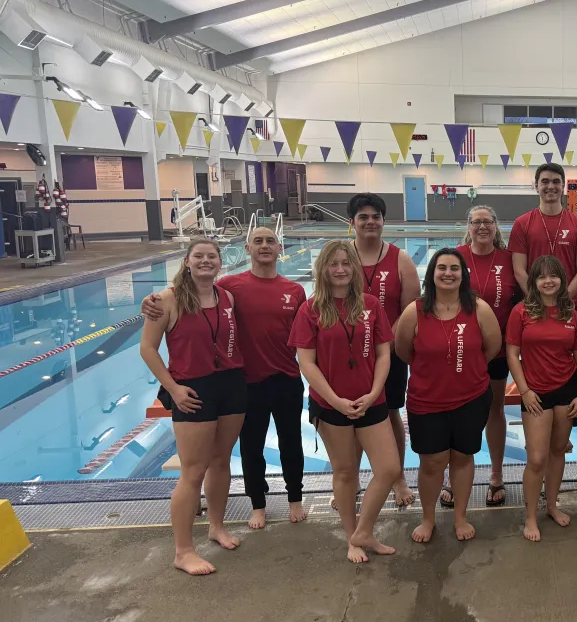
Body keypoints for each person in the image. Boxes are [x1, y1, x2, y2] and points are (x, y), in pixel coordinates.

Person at [142, 227, 307, 529]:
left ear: (280, 247)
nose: (265, 246)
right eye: (258, 241)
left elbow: (306, 334)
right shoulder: (231, 287)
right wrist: (152, 300)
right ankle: (258, 504)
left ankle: (294, 498)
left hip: (284, 379)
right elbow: (187, 293)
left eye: (270, 241)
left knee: (291, 443)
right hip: (247, 381)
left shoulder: (293, 290)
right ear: (247, 249)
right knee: (250, 447)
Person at [289, 240, 403, 564]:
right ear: (323, 269)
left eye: (346, 263)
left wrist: (373, 392)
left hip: (371, 401)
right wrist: (335, 400)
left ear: (355, 268)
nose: (340, 269)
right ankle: (352, 539)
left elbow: (383, 354)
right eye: (333, 264)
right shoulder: (311, 309)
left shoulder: (370, 304)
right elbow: (306, 363)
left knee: (389, 468)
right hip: (330, 405)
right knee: (345, 472)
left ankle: (363, 531)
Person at [139, 238, 245, 576]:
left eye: (211, 256)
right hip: (191, 389)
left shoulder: (224, 296)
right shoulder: (166, 300)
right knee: (193, 471)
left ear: (219, 262)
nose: (205, 261)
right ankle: (183, 551)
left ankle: (216, 526)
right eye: (198, 256)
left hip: (230, 384)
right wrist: (173, 390)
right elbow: (147, 349)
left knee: (220, 461)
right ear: (186, 262)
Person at [395, 249, 501, 543]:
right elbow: (403, 350)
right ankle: (428, 519)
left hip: (471, 397)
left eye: (455, 268)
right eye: (441, 268)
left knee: (463, 458)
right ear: (431, 274)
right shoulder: (415, 311)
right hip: (426, 401)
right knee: (431, 462)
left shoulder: (478, 308)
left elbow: (492, 347)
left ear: (463, 275)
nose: (448, 273)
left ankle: (460, 517)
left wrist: (466, 370)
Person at [506, 256, 577, 542]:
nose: (548, 281)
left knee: (557, 451)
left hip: (566, 391)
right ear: (534, 283)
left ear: (562, 281)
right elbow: (511, 353)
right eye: (542, 277)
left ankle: (552, 505)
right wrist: (525, 390)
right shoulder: (521, 312)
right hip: (535, 393)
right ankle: (530, 516)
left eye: (554, 276)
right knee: (537, 458)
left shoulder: (572, 315)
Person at [348, 193, 420, 508]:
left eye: (375, 216)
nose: (370, 222)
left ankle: (398, 477)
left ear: (383, 221)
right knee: (348, 417)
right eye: (363, 217)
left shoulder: (400, 259)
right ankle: (349, 479)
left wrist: (400, 353)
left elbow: (411, 315)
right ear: (352, 223)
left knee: (390, 414)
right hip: (347, 358)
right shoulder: (339, 257)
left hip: (388, 356)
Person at [455, 205, 518, 507]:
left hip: (498, 351)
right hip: (458, 350)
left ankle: (496, 475)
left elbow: (521, 303)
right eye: (476, 222)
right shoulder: (453, 258)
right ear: (467, 226)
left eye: (487, 222)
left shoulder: (508, 261)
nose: (482, 227)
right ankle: (454, 478)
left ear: (496, 226)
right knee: (458, 411)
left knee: (495, 410)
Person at [508, 162, 577, 297]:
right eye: (545, 181)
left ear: (563, 186)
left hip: (567, 303)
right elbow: (519, 270)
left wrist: (563, 300)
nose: (551, 186)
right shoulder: (522, 224)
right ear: (536, 187)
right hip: (533, 304)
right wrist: (537, 300)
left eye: (556, 182)